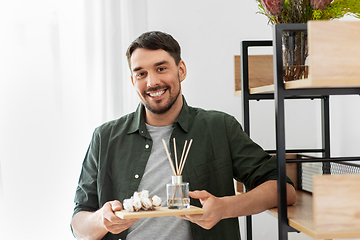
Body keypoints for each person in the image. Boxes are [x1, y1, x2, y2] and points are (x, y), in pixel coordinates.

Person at [71, 31, 296, 240]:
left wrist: (224, 208)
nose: (152, 82)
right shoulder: (105, 137)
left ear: (181, 70)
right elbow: (78, 225)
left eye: (161, 69)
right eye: (141, 73)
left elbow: (283, 190)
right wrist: (102, 219)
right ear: (133, 81)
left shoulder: (219, 127)